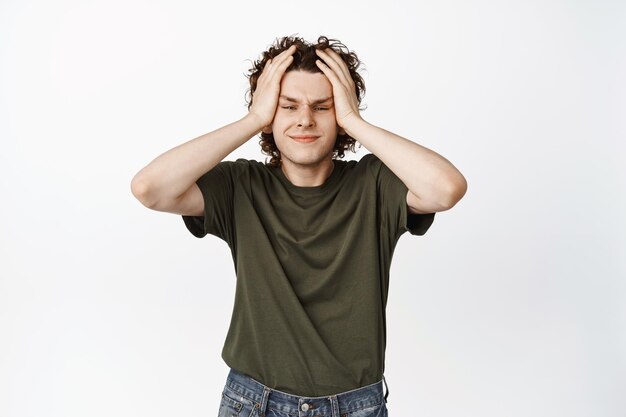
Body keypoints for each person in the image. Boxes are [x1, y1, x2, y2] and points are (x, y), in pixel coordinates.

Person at [131, 35, 467, 417]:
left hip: (355, 404)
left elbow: (446, 189)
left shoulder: (374, 184)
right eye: (287, 106)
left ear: (339, 115)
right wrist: (253, 119)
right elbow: (149, 188)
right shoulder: (241, 186)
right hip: (253, 401)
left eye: (322, 107)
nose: (305, 119)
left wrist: (355, 121)